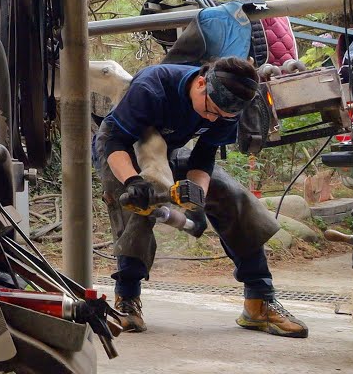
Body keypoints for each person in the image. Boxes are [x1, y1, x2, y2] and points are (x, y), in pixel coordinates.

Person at [95, 56, 309, 337]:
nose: (212, 119)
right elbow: (116, 141)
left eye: (221, 116)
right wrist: (133, 181)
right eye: (211, 111)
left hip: (168, 150)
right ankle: (127, 300)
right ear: (200, 84)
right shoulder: (152, 88)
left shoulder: (226, 107)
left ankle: (259, 301)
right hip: (121, 147)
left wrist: (196, 201)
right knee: (137, 207)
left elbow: (204, 156)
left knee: (231, 195)